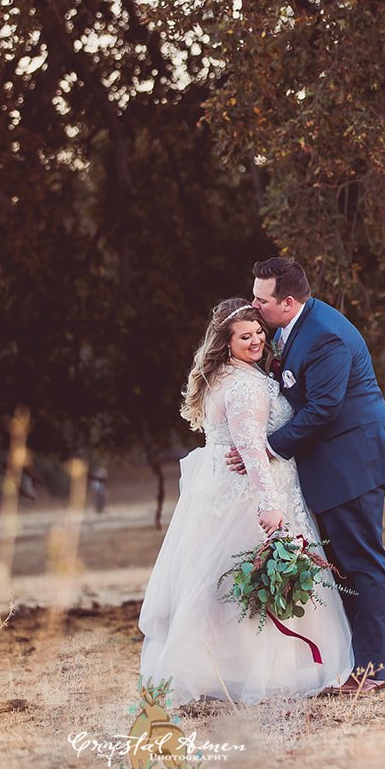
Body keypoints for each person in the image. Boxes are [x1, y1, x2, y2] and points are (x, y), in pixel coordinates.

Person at [139, 299, 354, 704]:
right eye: (245, 336)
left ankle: (228, 669)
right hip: (254, 495)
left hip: (225, 494)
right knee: (252, 582)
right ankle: (269, 672)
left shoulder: (227, 375)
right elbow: (252, 451)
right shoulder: (243, 386)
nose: (256, 341)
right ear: (226, 341)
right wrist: (270, 506)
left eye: (258, 333)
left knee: (222, 584)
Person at [239, 256, 385, 694]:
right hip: (333, 465)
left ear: (287, 302)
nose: (255, 308)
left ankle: (372, 673)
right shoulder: (296, 328)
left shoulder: (325, 335)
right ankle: (354, 664)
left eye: (261, 301)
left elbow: (323, 409)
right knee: (343, 568)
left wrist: (268, 448)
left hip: (354, 462)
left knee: (362, 564)